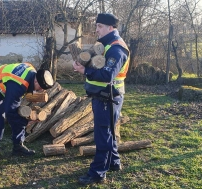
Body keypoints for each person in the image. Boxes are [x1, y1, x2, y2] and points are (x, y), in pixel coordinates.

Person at [72, 13, 130, 185]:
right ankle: (114, 162)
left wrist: (85, 72)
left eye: (100, 26)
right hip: (106, 96)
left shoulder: (116, 48)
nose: (96, 30)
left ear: (110, 28)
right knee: (108, 132)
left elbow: (107, 75)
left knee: (102, 135)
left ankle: (97, 173)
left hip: (108, 98)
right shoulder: (107, 45)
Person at [0, 63, 54, 165]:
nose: (40, 91)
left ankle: (18, 146)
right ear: (36, 80)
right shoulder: (19, 84)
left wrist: (32, 93)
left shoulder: (33, 72)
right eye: (40, 88)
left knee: (19, 117)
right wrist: (25, 122)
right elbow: (10, 111)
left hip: (5, 85)